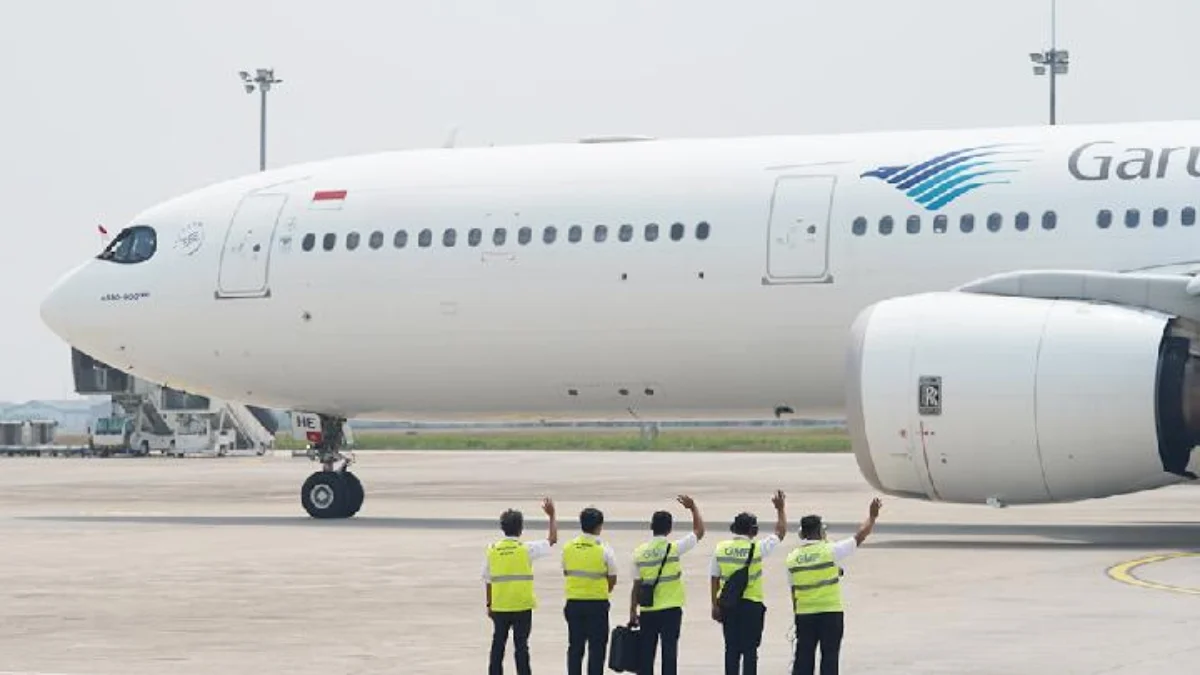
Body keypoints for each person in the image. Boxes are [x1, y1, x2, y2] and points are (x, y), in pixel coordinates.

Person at [787, 497, 883, 675]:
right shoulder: (830, 550)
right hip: (830, 613)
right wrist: (872, 517)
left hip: (804, 614)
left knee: (803, 659)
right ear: (819, 531)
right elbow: (859, 536)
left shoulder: (792, 558)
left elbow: (794, 590)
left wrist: (798, 614)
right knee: (830, 658)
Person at [710, 490, 788, 675]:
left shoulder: (720, 549)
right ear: (753, 531)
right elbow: (781, 532)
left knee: (731, 649)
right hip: (751, 605)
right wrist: (780, 509)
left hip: (728, 604)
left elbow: (714, 577)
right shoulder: (757, 548)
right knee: (750, 650)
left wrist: (715, 604)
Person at [629, 494, 707, 675]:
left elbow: (636, 586)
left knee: (646, 655)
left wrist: (633, 611)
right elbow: (699, 531)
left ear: (651, 527)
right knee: (669, 654)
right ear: (670, 529)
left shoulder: (639, 553)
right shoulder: (674, 548)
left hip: (648, 611)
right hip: (671, 610)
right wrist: (693, 507)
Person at [483, 497, 559, 675]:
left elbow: (488, 579)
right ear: (521, 528)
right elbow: (552, 539)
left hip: (500, 605)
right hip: (522, 605)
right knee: (521, 647)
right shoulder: (526, 549)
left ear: (502, 528)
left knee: (497, 645)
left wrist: (489, 604)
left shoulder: (492, 550)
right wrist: (552, 515)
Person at [562, 506, 618, 675]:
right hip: (597, 604)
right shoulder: (604, 549)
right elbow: (613, 577)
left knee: (575, 647)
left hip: (574, 603)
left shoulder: (568, 547)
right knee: (597, 648)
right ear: (599, 526)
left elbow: (566, 571)